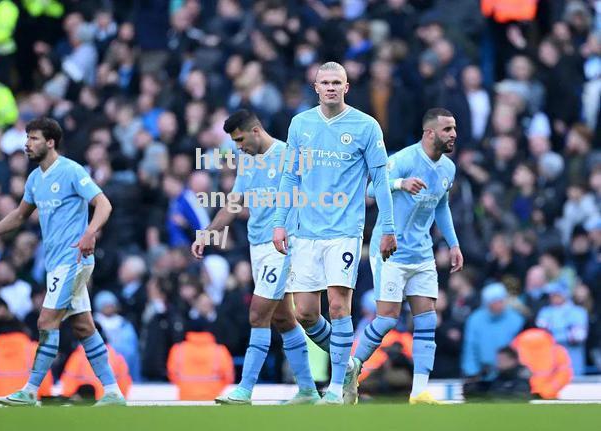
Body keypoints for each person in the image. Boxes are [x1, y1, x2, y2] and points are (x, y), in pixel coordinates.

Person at [272, 61, 397, 405]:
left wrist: (387, 227)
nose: (330, 87)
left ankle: (335, 388)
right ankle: (351, 365)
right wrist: (281, 221)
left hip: (344, 231)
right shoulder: (301, 124)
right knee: (306, 314)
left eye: (336, 82)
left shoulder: (365, 126)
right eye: (324, 82)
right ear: (315, 87)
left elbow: (381, 180)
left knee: (339, 307)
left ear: (347, 87)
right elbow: (290, 177)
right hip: (305, 231)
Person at [0, 117, 125, 406]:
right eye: (27, 138)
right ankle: (112, 392)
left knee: (46, 320)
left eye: (33, 138)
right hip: (55, 263)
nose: (27, 144)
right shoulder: (35, 179)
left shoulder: (71, 171)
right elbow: (21, 215)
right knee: (84, 326)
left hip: (73, 259)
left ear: (50, 142)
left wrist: (89, 232)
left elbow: (104, 204)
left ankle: (31, 390)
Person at [191, 109, 319, 405]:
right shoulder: (247, 161)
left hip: (283, 245)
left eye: (240, 140)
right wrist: (208, 233)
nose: (238, 147)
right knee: (284, 319)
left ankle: (245, 390)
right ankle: (309, 391)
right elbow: (234, 202)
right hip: (257, 246)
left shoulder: (289, 155)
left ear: (256, 131)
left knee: (257, 314)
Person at [350, 108, 464, 405]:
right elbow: (371, 187)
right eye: (447, 129)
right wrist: (401, 183)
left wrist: (453, 244)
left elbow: (441, 206)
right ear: (430, 133)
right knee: (387, 319)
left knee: (426, 319)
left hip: (422, 253)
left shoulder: (448, 169)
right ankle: (352, 367)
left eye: (454, 129)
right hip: (391, 251)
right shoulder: (403, 160)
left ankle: (419, 392)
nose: (453, 134)